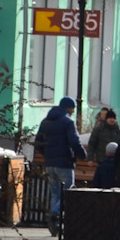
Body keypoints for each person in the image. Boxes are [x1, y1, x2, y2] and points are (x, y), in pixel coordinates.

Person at [34, 97, 88, 232]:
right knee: (67, 192)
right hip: (65, 163)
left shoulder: (45, 122)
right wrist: (82, 155)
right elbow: (74, 141)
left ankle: (54, 224)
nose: (73, 111)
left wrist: (47, 155)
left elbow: (38, 143)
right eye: (73, 108)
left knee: (55, 194)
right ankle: (55, 214)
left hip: (49, 164)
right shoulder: (68, 122)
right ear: (68, 108)